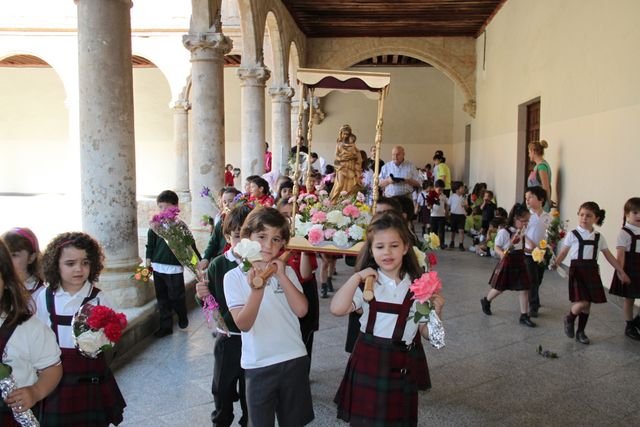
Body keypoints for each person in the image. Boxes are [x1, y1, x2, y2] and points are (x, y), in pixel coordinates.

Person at [330, 212, 444, 426]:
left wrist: (437, 311)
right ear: (371, 251)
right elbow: (337, 309)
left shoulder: (418, 286)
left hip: (402, 366)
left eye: (394, 245)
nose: (387, 252)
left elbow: (433, 337)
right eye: (380, 247)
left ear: (405, 247)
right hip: (368, 361)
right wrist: (356, 277)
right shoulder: (367, 284)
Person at [224, 207, 314, 426]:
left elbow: (302, 310)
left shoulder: (287, 272)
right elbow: (243, 324)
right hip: (259, 363)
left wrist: (281, 275)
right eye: (262, 236)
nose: (268, 245)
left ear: (283, 244)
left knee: (294, 421)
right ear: (247, 237)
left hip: (293, 356)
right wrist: (257, 290)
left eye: (276, 239)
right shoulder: (233, 277)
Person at [35, 232, 126, 425]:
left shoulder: (99, 298)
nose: (79, 269)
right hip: (56, 379)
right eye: (70, 263)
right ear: (56, 265)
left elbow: (112, 334)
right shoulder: (45, 297)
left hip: (91, 377)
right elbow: (38, 336)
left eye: (85, 262)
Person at [195, 204, 252, 427]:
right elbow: (209, 303)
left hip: (254, 338)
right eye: (238, 236)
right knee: (222, 387)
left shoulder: (261, 265)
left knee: (250, 389)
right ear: (227, 237)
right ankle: (222, 420)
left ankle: (249, 420)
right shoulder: (219, 264)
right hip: (228, 337)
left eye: (249, 236)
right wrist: (202, 295)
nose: (244, 242)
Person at [0, 240, 62, 425]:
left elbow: (52, 369)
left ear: (6, 281)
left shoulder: (29, 328)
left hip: (13, 417)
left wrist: (35, 392)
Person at [553, 202, 630, 344]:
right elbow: (563, 252)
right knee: (583, 302)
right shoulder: (572, 234)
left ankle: (581, 332)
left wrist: (621, 271)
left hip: (592, 272)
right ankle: (569, 318)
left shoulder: (599, 237)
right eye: (582, 215)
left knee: (587, 305)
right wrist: (556, 263)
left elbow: (608, 256)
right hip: (577, 271)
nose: (584, 218)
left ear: (596, 218)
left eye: (588, 216)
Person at [146, 190, 201, 337]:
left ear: (175, 206)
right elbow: (150, 245)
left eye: (166, 207)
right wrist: (148, 261)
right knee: (162, 299)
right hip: (158, 267)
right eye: (160, 207)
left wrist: (198, 261)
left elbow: (190, 245)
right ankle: (166, 326)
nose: (162, 210)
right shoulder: (155, 226)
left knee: (177, 297)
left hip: (175, 268)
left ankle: (182, 315)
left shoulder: (180, 226)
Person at [277, 199, 320, 366]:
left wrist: (302, 246)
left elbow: (305, 274)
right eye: (285, 215)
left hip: (304, 291)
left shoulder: (305, 241)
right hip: (281, 293)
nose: (289, 219)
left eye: (293, 215)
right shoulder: (273, 244)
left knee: (304, 337)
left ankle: (303, 372)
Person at [481, 203, 537, 327]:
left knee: (524, 288)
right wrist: (501, 253)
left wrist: (531, 251)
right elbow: (496, 247)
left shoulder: (521, 231)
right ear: (515, 218)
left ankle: (524, 315)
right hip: (509, 260)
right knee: (500, 287)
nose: (526, 224)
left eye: (527, 221)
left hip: (520, 260)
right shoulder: (504, 232)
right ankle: (486, 300)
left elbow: (521, 247)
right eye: (523, 221)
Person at [609, 197, 640, 340]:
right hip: (631, 269)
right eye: (635, 212)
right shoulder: (625, 232)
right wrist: (621, 272)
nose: (639, 216)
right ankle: (629, 325)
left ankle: (637, 321)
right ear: (627, 214)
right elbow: (620, 255)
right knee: (630, 299)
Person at [523, 187, 552, 318]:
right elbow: (522, 232)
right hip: (529, 253)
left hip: (542, 253)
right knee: (532, 279)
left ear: (541, 199)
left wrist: (549, 245)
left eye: (530, 197)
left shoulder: (548, 217)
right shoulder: (526, 216)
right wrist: (530, 244)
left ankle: (534, 298)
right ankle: (533, 306)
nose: (527, 200)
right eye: (526, 198)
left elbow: (551, 235)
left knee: (539, 278)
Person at [198, 187, 242, 271]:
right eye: (224, 202)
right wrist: (206, 258)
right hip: (223, 259)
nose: (227, 204)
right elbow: (213, 242)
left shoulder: (245, 221)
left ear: (239, 201)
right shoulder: (221, 221)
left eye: (230, 201)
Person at [1, 227, 45, 297]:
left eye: (14, 255)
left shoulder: (41, 294)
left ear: (31, 257)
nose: (8, 260)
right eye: (5, 255)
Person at [330, 126, 363, 200]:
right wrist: (342, 158)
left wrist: (354, 157)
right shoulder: (339, 144)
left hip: (350, 166)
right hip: (341, 167)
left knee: (350, 186)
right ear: (341, 134)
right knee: (340, 184)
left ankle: (346, 201)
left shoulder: (353, 145)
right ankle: (333, 200)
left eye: (347, 134)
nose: (345, 136)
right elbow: (336, 156)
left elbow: (357, 155)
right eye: (344, 134)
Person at [527, 140, 553, 211]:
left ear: (533, 151)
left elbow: (546, 187)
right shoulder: (537, 166)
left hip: (540, 205)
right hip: (535, 204)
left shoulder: (542, 167)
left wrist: (549, 202)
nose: (529, 155)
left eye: (529, 152)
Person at [448, 181, 468, 250]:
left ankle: (461, 244)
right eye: (462, 187)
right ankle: (452, 241)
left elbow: (467, 207)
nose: (463, 189)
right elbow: (448, 205)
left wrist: (465, 206)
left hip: (461, 216)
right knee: (453, 230)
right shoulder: (452, 197)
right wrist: (448, 213)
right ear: (457, 189)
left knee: (461, 230)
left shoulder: (464, 197)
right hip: (453, 215)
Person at [430, 179, 449, 250]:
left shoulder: (444, 196)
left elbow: (446, 204)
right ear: (435, 188)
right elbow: (429, 205)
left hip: (441, 216)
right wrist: (430, 206)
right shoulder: (431, 195)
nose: (440, 191)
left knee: (441, 231)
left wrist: (446, 211)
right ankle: (433, 244)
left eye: (442, 190)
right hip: (433, 216)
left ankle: (441, 244)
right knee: (433, 231)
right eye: (439, 190)